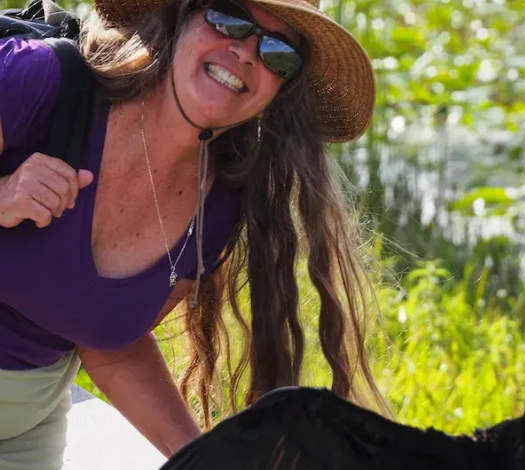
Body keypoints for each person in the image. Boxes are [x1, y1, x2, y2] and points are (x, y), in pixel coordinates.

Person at [0, 0, 388, 467]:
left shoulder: (219, 206)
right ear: (182, 17)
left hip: (25, 429)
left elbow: (112, 350)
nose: (246, 51)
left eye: (278, 51)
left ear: (280, 92)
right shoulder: (43, 80)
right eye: (229, 19)